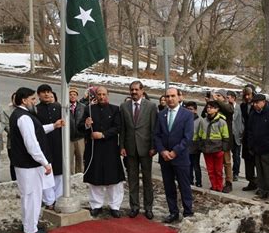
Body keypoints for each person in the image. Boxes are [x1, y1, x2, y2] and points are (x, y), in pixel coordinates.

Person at [9, 87, 57, 233]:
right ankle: (30, 229)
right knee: (32, 196)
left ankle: (29, 223)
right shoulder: (23, 117)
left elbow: (36, 130)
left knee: (29, 196)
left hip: (26, 164)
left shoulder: (22, 115)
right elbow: (31, 143)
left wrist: (53, 126)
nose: (34, 102)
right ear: (24, 100)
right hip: (28, 165)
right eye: (32, 99)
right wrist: (44, 162)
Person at [78, 86, 125, 218]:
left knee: (113, 179)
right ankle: (96, 205)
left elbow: (118, 127)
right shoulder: (89, 109)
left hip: (110, 148)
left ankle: (115, 206)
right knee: (95, 178)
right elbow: (80, 126)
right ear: (95, 96)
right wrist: (87, 124)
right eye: (99, 94)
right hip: (94, 149)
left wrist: (103, 134)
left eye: (104, 94)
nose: (101, 97)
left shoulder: (115, 109)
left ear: (108, 95)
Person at [119, 80, 157, 220]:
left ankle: (148, 208)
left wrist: (154, 147)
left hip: (146, 149)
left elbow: (154, 129)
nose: (134, 92)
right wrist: (121, 146)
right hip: (130, 149)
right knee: (132, 180)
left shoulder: (151, 106)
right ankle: (134, 206)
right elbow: (122, 129)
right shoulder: (124, 106)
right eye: (132, 90)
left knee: (147, 180)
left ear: (142, 91)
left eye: (136, 90)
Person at [155, 87, 194, 223]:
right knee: (168, 186)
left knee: (184, 186)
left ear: (179, 97)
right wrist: (163, 151)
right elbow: (157, 136)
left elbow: (188, 137)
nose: (170, 99)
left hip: (181, 157)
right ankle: (173, 212)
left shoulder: (187, 115)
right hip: (165, 158)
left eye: (172, 96)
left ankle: (188, 212)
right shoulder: (161, 114)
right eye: (167, 96)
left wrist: (175, 152)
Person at [36, 84, 65, 209]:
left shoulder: (58, 107)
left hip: (58, 143)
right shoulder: (35, 109)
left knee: (59, 172)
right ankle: (49, 201)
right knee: (46, 173)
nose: (46, 94)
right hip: (43, 144)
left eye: (48, 92)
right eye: (43, 92)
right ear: (39, 95)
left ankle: (58, 199)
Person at [202, 89, 234, 193]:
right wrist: (208, 103)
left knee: (226, 162)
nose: (216, 97)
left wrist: (218, 100)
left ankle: (228, 182)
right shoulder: (213, 106)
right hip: (212, 143)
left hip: (225, 139)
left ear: (224, 98)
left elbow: (229, 110)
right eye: (216, 95)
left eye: (219, 95)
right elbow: (204, 115)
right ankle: (216, 184)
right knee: (214, 166)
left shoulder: (227, 106)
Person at [195, 101, 229, 192]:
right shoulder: (203, 121)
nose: (209, 109)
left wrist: (223, 149)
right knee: (210, 170)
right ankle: (214, 186)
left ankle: (219, 187)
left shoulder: (222, 122)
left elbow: (225, 136)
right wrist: (201, 146)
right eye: (208, 107)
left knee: (218, 170)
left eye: (211, 107)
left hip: (218, 149)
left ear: (217, 109)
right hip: (207, 149)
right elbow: (200, 134)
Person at [240, 85, 257, 191]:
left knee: (257, 162)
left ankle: (260, 183)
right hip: (246, 137)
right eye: (245, 95)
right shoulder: (242, 106)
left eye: (249, 95)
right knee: (248, 161)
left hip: (256, 137)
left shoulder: (257, 106)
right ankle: (251, 181)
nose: (247, 97)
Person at [227, 90, 243, 182]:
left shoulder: (239, 108)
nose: (227, 99)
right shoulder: (225, 107)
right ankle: (227, 173)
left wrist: (241, 131)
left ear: (233, 98)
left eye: (228, 97)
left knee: (236, 156)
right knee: (226, 156)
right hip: (227, 136)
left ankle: (235, 173)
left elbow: (242, 121)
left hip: (236, 136)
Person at [69, 87, 86, 174]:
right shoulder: (64, 107)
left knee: (80, 157)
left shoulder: (82, 107)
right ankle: (70, 177)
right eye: (70, 94)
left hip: (80, 137)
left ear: (77, 96)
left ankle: (79, 175)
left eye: (74, 94)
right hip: (69, 138)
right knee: (69, 159)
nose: (72, 96)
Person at [185, 101, 202, 187]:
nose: (189, 111)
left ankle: (198, 181)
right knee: (189, 164)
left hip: (195, 145)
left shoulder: (199, 120)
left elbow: (201, 133)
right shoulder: (185, 119)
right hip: (187, 144)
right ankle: (190, 180)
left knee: (196, 165)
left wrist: (199, 145)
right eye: (187, 109)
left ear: (195, 110)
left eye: (191, 109)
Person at [3, 92, 17, 181]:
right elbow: (8, 128)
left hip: (26, 143)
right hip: (12, 143)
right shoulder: (7, 112)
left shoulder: (28, 109)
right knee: (14, 164)